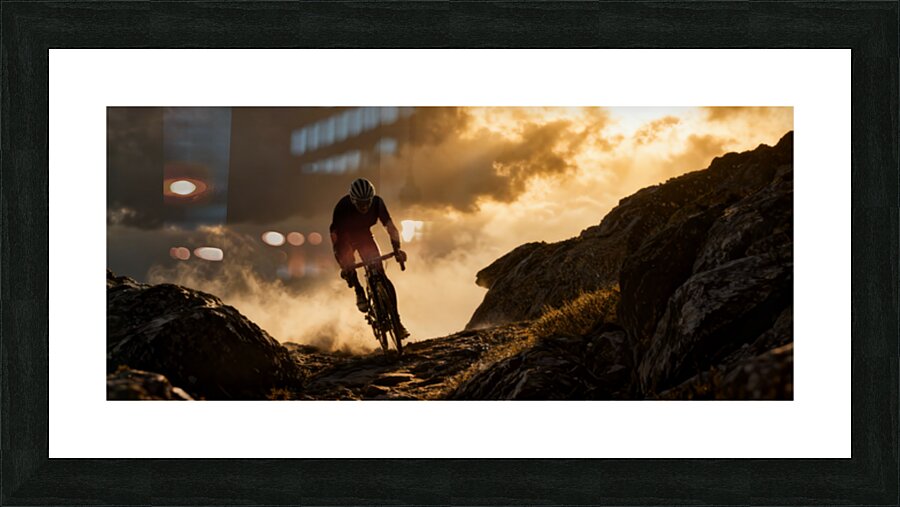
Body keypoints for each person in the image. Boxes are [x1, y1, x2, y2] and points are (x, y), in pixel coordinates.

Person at [329, 178, 410, 339]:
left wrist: (397, 249)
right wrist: (346, 267)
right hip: (344, 236)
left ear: (372, 199)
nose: (365, 206)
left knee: (381, 275)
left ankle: (397, 321)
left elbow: (391, 228)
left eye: (367, 202)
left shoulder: (377, 203)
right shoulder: (342, 208)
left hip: (364, 235)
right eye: (360, 203)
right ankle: (358, 289)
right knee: (348, 263)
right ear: (353, 200)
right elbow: (337, 241)